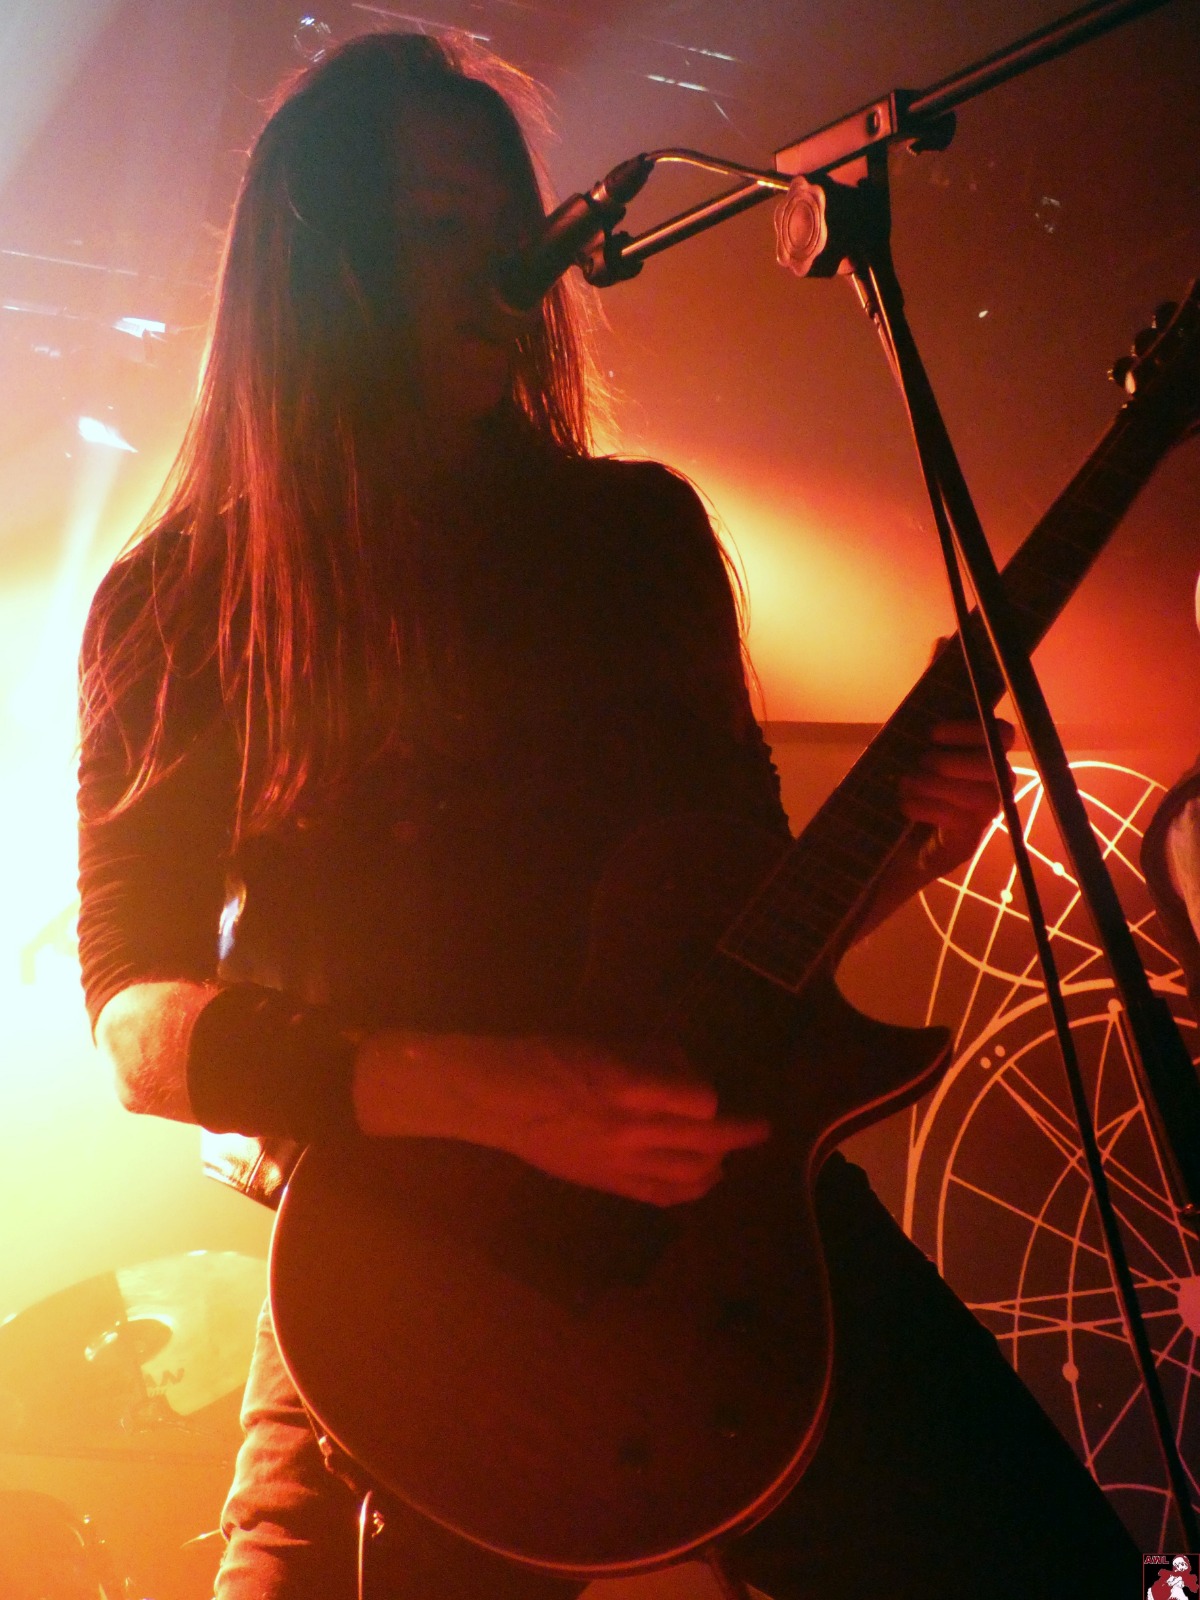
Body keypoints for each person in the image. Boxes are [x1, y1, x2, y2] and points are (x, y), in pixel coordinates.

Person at [76, 30, 1139, 1600]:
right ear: (325, 266)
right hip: (417, 1278)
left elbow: (747, 918)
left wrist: (915, 849)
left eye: (503, 222)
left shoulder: (636, 537)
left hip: (740, 1238)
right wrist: (499, 1095)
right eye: (434, 223)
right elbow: (133, 1025)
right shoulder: (187, 598)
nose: (496, 265)